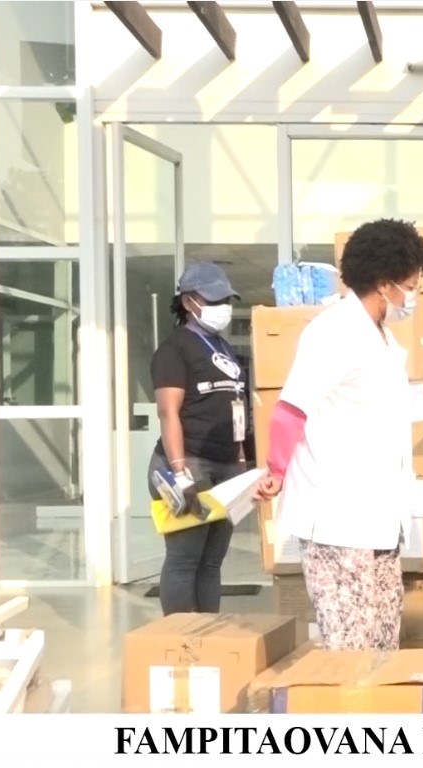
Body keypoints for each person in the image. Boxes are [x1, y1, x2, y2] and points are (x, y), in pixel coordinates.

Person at [253, 219, 423, 651]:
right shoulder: (334, 331)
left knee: (383, 642)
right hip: (338, 517)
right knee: (351, 648)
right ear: (385, 284)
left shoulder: (382, 339)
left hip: (379, 517)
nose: (412, 297)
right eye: (410, 286)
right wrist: (276, 470)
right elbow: (290, 410)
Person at [149, 262, 246, 616]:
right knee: (185, 558)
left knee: (211, 561)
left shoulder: (221, 346)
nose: (223, 307)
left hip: (224, 466)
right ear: (189, 301)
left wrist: (240, 460)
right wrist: (180, 472)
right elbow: (168, 413)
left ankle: (207, 633)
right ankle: (180, 637)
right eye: (214, 300)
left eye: (226, 300)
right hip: (187, 463)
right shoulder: (174, 349)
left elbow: (235, 406)